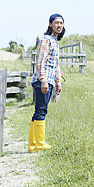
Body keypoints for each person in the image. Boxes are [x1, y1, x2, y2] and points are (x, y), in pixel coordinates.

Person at [28, 13, 65, 153]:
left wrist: (58, 83)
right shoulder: (46, 40)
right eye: (56, 23)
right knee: (41, 111)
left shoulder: (55, 41)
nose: (59, 25)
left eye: (61, 23)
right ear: (50, 24)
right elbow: (40, 62)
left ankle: (33, 145)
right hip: (43, 81)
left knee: (38, 111)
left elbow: (55, 65)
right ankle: (40, 144)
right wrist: (43, 81)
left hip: (49, 81)